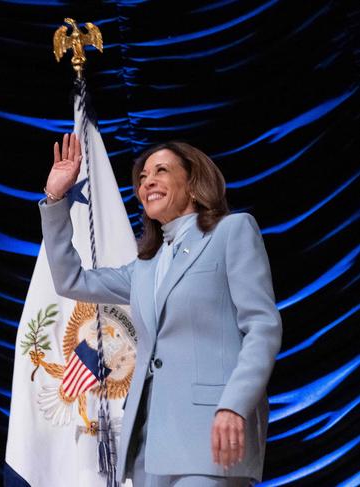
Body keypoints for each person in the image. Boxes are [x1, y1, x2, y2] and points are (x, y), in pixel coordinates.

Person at [40, 134, 282, 486]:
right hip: (148, 447)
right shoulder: (144, 267)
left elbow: (262, 327)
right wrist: (55, 199)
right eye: (142, 177)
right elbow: (71, 279)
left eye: (161, 171)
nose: (147, 181)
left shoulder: (232, 232)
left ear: (194, 185)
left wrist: (235, 403)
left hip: (210, 436)